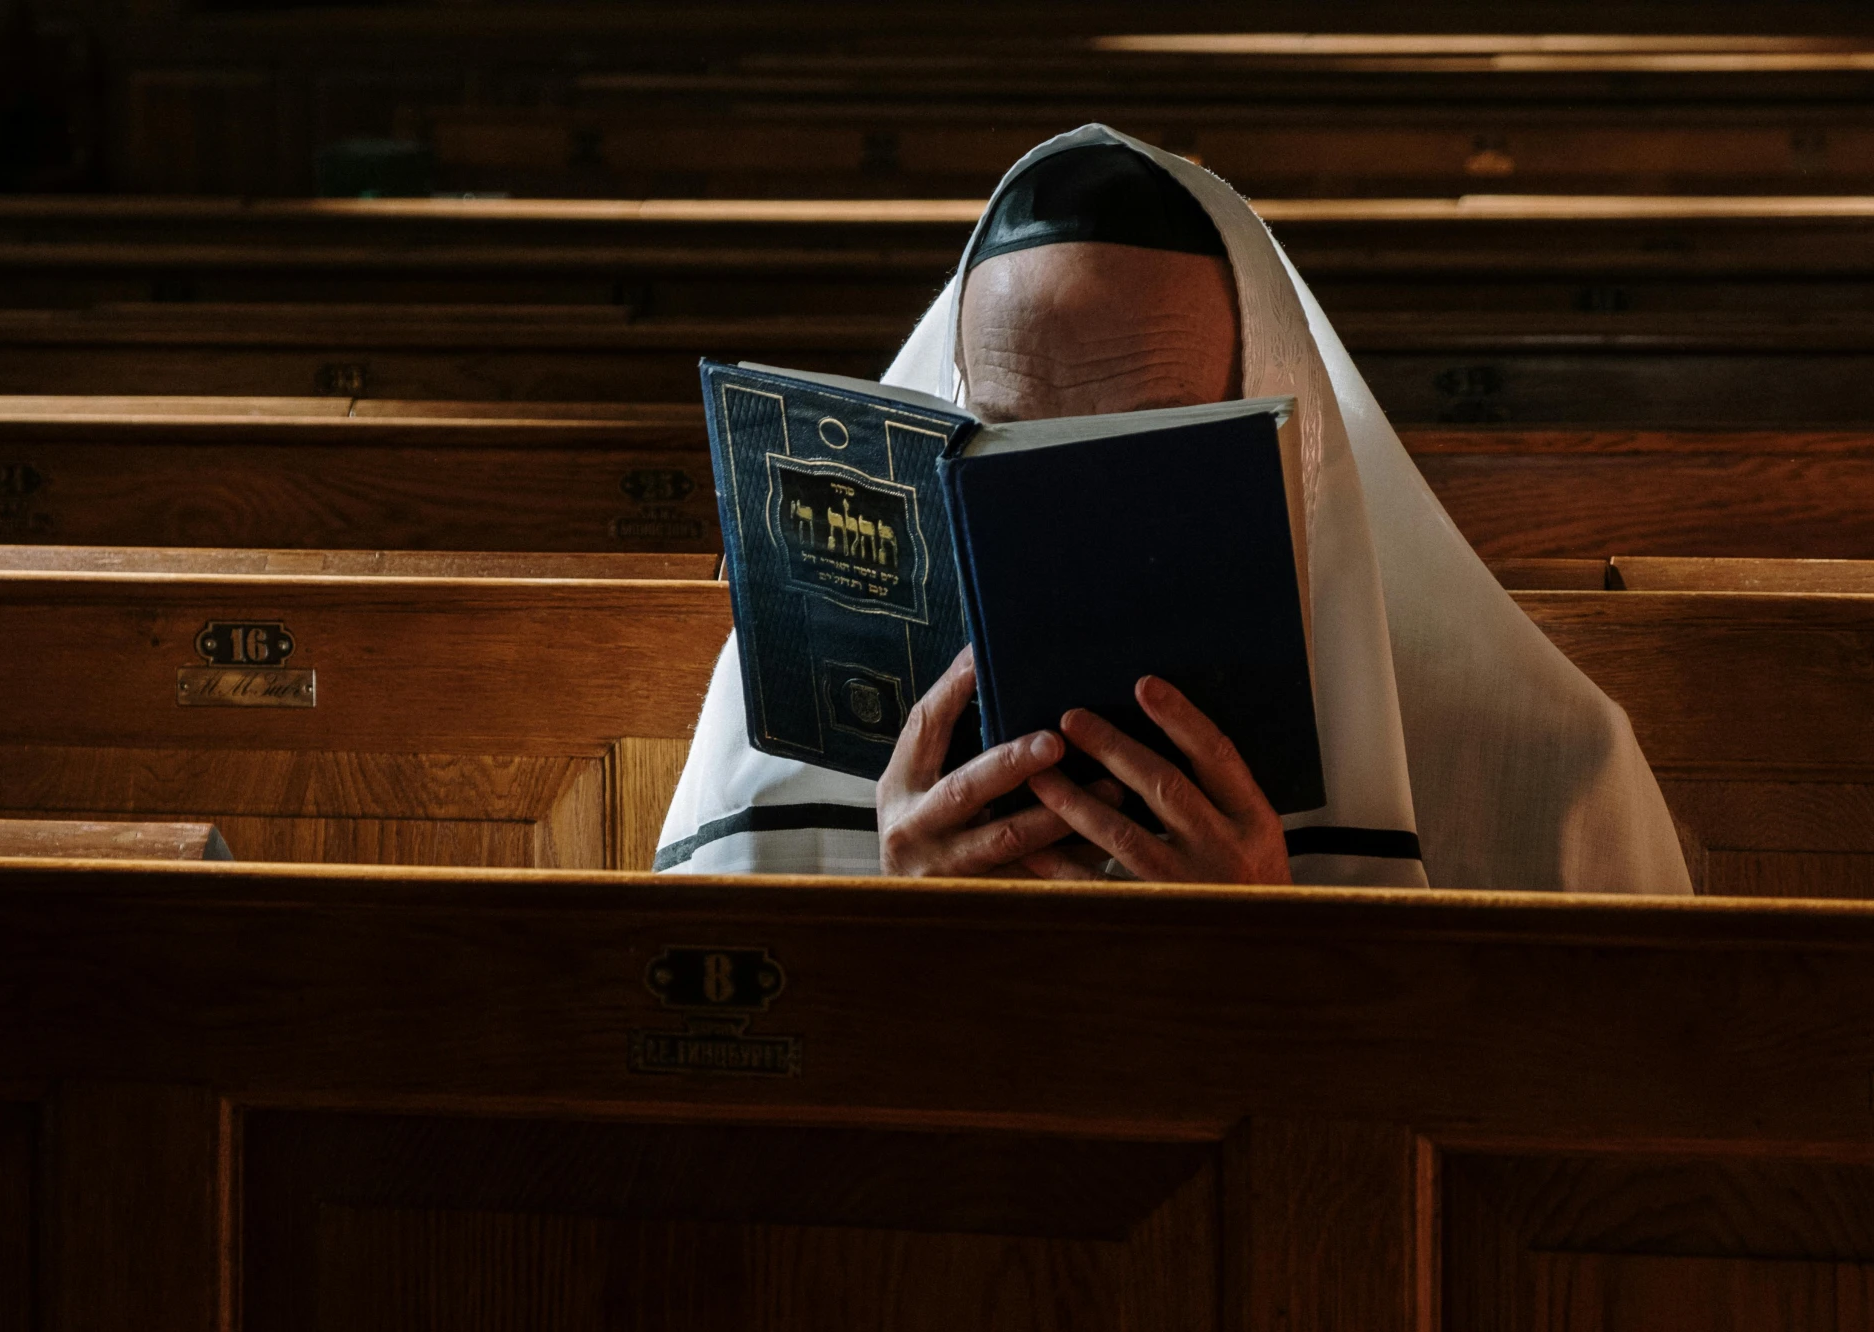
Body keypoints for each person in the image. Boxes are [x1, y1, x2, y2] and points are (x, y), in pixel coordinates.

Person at [655, 125, 1692, 894]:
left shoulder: (1547, 771)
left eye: (1145, 441)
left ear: (1293, 444)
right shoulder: (774, 733)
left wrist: (1257, 949)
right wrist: (912, 932)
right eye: (1004, 435)